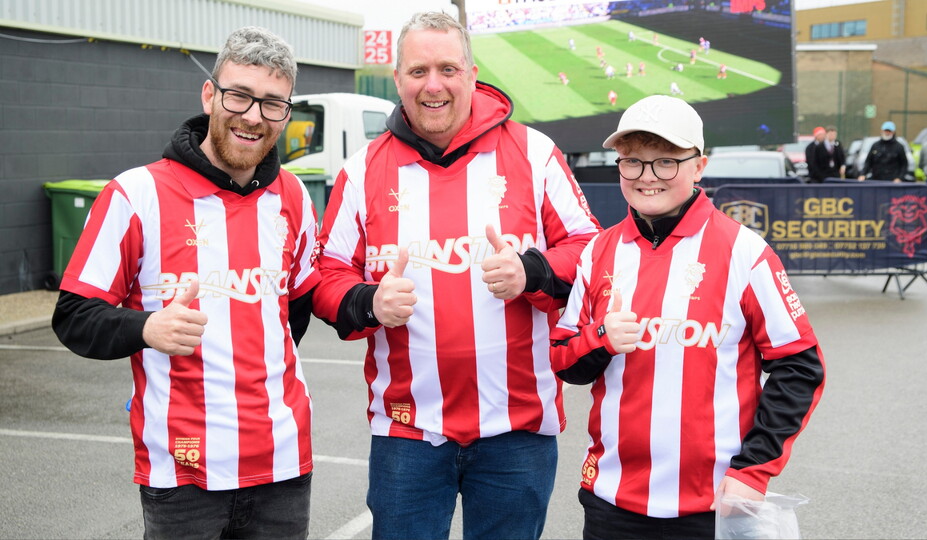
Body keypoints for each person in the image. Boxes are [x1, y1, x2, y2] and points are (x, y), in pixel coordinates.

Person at [312, 11, 600, 540]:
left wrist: (531, 270)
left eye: (448, 68)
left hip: (517, 430)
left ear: (471, 74)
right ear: (397, 79)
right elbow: (327, 275)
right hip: (407, 431)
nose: (434, 84)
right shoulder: (362, 169)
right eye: (418, 71)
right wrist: (369, 302)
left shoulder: (535, 154)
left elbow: (590, 250)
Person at [51, 27, 319, 538]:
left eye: (272, 104)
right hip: (181, 474)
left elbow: (296, 310)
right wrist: (148, 328)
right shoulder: (135, 194)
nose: (253, 117)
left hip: (283, 467)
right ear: (209, 94)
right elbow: (73, 315)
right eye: (239, 95)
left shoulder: (293, 197)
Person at [549, 95, 826, 539]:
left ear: (698, 166)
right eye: (633, 162)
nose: (647, 177)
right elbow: (564, 359)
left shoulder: (745, 253)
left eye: (665, 162)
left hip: (715, 505)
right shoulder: (599, 251)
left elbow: (800, 366)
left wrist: (753, 470)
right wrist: (600, 337)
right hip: (611, 502)